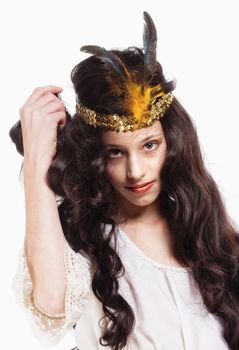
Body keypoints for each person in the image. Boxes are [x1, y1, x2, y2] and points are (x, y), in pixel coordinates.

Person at [9, 11, 239, 350]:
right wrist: (37, 161)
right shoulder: (83, 240)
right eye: (115, 152)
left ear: (172, 142)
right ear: (96, 156)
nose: (136, 171)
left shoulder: (207, 234)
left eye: (149, 146)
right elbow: (51, 309)